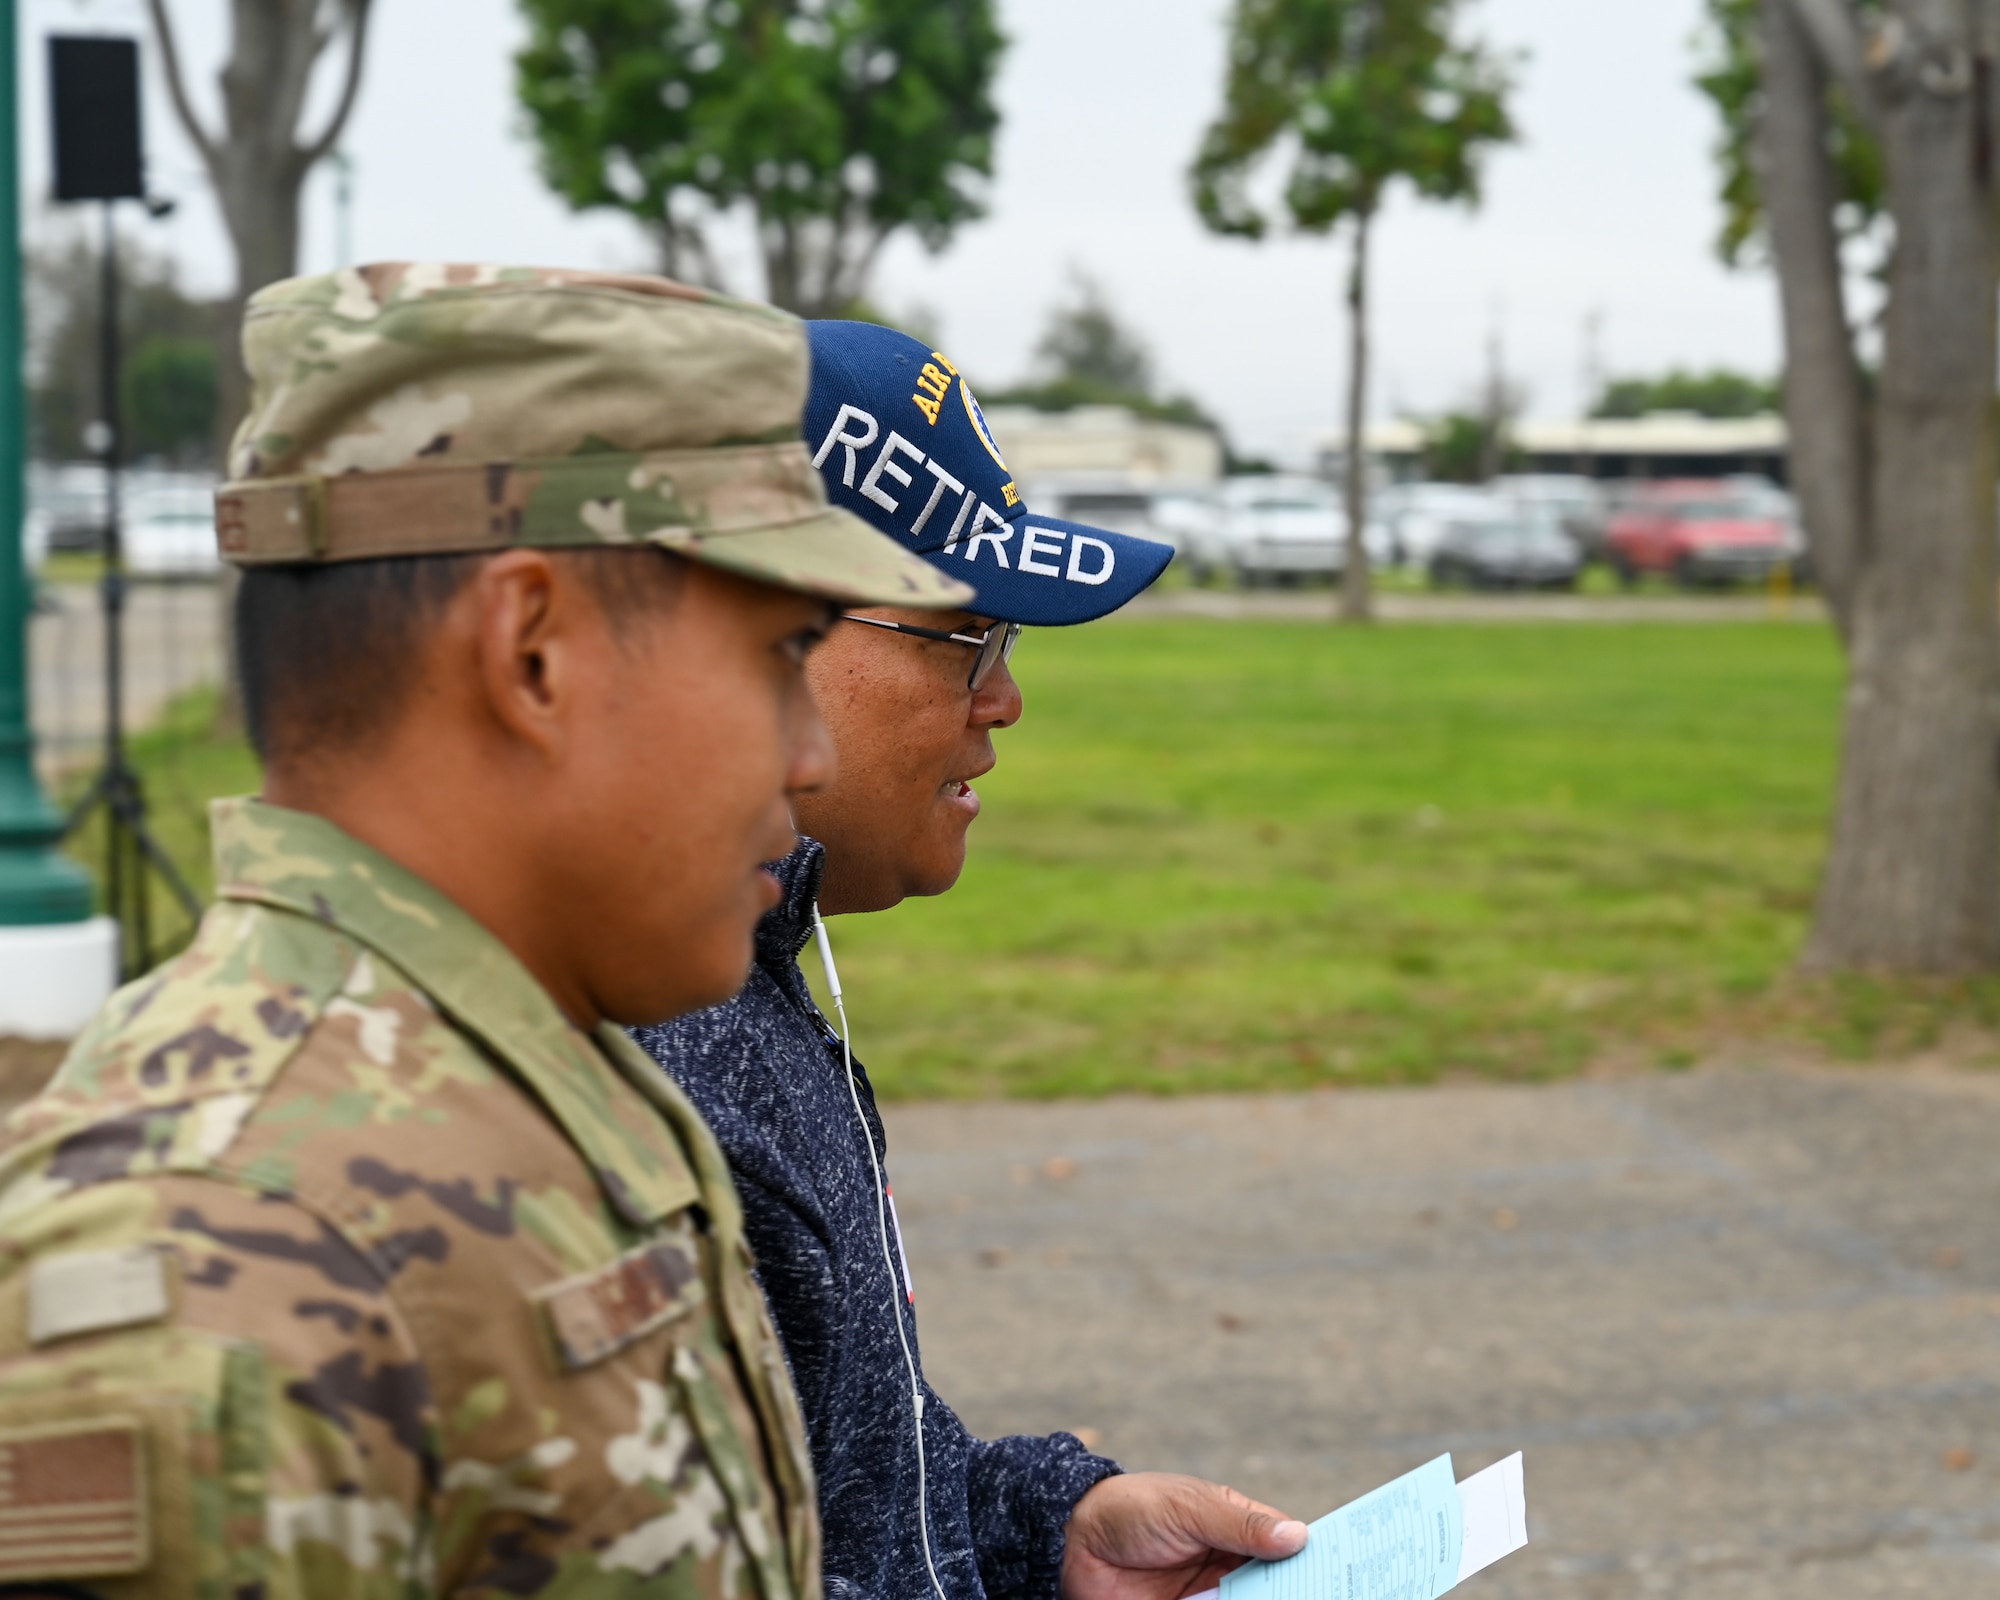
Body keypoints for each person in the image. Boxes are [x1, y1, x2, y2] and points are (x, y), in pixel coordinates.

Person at [0, 267, 973, 1598]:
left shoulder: (540, 1080)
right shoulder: (222, 1259)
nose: (806, 750)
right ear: (533, 654)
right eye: (773, 655)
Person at [634, 321, 1310, 1600]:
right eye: (969, 633)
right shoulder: (653, 1063)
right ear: (762, 634)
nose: (1002, 699)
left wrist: (1047, 1530)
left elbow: (850, 1483)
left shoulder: (744, 964)